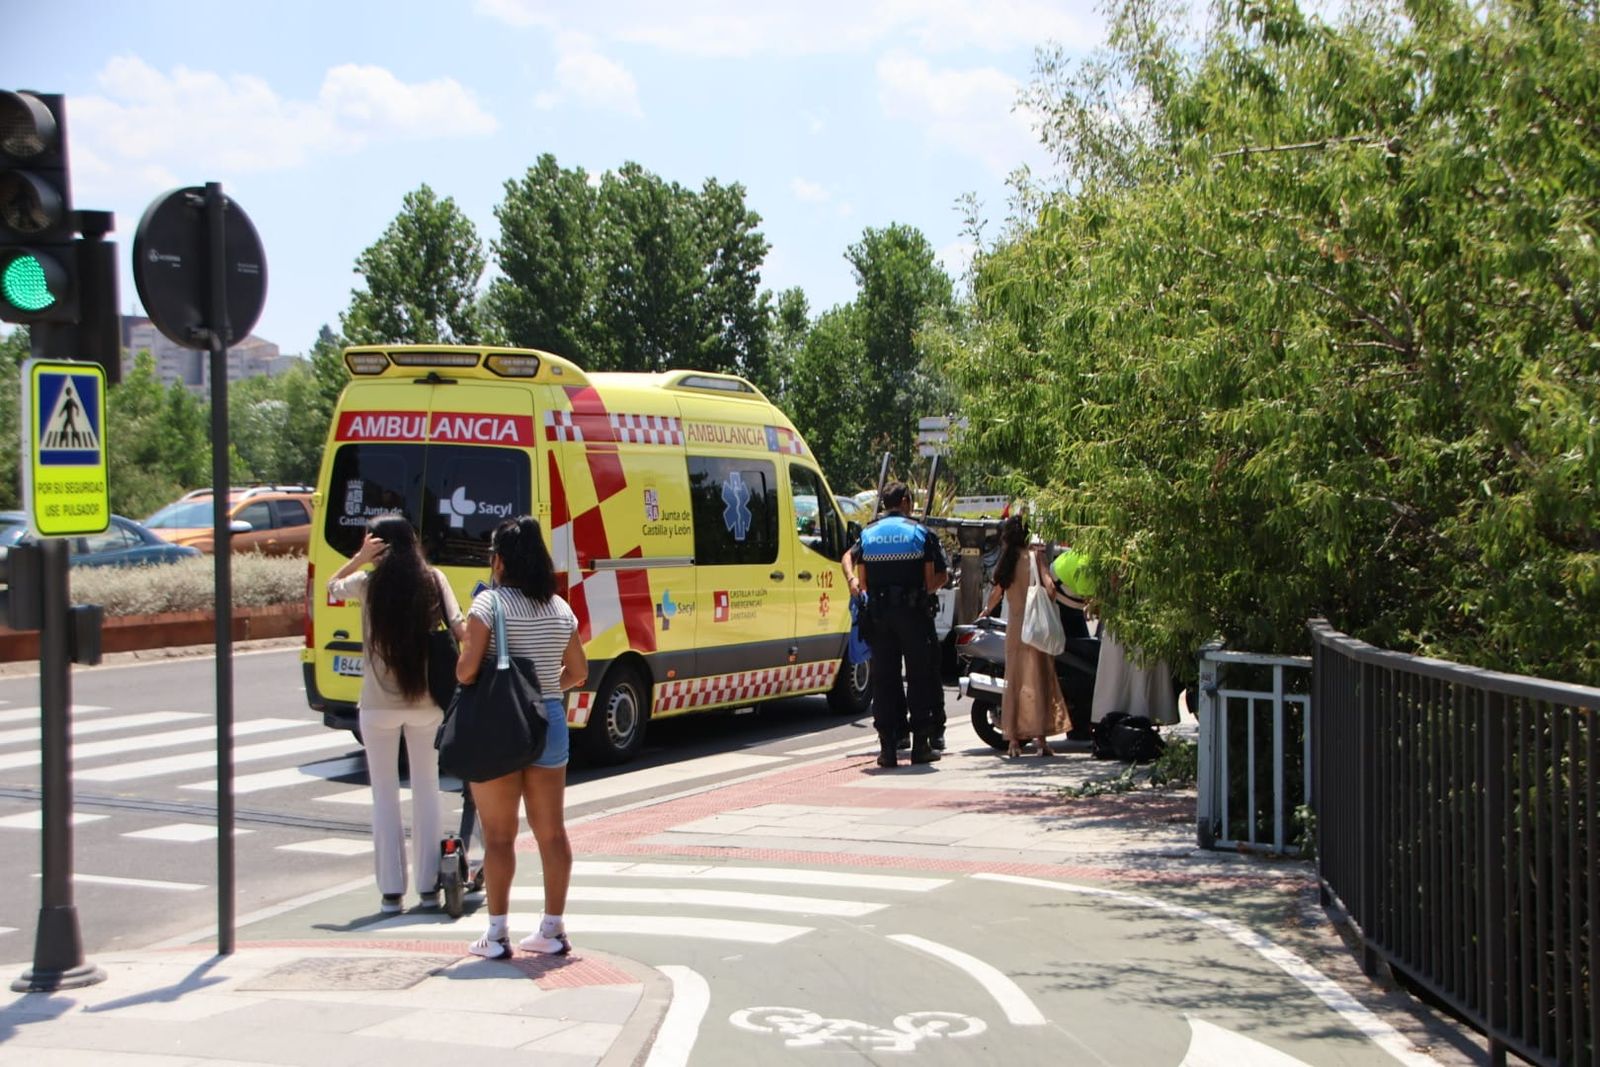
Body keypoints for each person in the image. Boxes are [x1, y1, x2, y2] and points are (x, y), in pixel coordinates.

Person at [457, 516, 588, 960]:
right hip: (548, 718)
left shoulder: (487, 606)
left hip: (499, 723)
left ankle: (495, 936)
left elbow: (467, 670)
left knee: (498, 836)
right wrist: (545, 689)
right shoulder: (558, 607)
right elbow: (580, 671)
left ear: (499, 560)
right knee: (551, 832)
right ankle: (552, 929)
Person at [326, 514, 466, 913]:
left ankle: (390, 892)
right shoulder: (433, 580)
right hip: (426, 705)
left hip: (376, 707)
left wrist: (358, 558)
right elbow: (459, 628)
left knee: (384, 795)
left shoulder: (367, 585)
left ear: (378, 547)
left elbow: (330, 588)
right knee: (427, 789)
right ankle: (427, 886)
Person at [845, 481, 947, 768]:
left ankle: (887, 749)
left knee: (884, 681)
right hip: (913, 617)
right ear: (904, 501)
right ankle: (921, 746)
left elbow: (861, 578)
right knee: (919, 678)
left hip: (879, 618)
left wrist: (854, 583)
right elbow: (931, 580)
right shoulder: (919, 533)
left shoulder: (868, 534)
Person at [982, 516, 1071, 757]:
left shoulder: (1006, 563)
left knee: (1015, 683)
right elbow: (1051, 591)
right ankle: (1041, 740)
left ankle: (1013, 742)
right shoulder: (1034, 558)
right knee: (1039, 682)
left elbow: (996, 594)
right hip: (1036, 630)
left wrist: (985, 612)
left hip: (1015, 630)